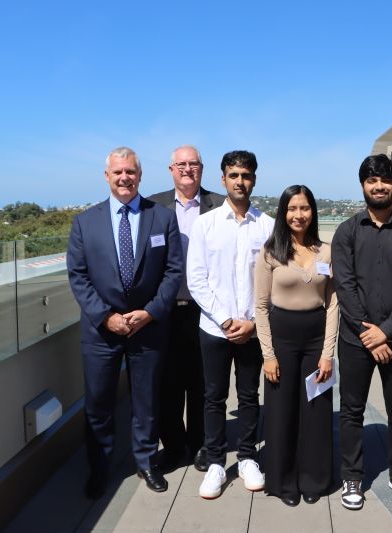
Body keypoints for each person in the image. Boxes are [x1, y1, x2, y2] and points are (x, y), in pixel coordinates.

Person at [67, 146, 182, 498]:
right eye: (117, 172)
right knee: (99, 404)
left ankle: (146, 462)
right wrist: (106, 317)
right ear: (107, 176)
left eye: (130, 171)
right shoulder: (85, 222)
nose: (124, 178)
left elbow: (174, 270)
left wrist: (151, 311)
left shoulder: (161, 217)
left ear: (140, 175)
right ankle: (100, 469)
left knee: (146, 402)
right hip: (102, 332)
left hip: (148, 327)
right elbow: (78, 275)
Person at [331, 154, 392, 511]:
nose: (379, 186)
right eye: (372, 180)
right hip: (355, 341)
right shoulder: (346, 231)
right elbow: (345, 286)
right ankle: (352, 477)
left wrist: (385, 332)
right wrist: (367, 333)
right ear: (363, 185)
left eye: (385, 180)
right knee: (351, 410)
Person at [187, 150, 274, 499]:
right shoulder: (205, 224)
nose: (240, 181)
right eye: (234, 175)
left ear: (254, 179)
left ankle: (249, 456)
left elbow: (271, 280)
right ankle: (216, 463)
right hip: (214, 328)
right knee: (214, 396)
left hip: (253, 329)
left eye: (246, 175)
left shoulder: (267, 225)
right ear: (223, 179)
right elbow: (196, 278)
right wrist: (225, 319)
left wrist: (251, 322)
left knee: (250, 395)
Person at [254, 185, 339, 507]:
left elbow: (333, 304)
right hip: (282, 340)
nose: (298, 215)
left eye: (304, 208)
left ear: (313, 212)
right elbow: (260, 307)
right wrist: (269, 355)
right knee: (281, 413)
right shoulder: (270, 252)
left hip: (316, 338)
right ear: (283, 213)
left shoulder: (326, 252)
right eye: (292, 209)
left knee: (316, 412)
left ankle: (313, 478)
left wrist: (327, 354)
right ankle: (283, 479)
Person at [149, 145, 225, 473]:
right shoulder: (151, 206)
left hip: (204, 309)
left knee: (202, 381)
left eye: (193, 164)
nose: (187, 169)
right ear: (171, 169)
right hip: (164, 311)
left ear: (202, 169)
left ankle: (200, 444)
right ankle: (173, 446)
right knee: (167, 381)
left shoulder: (219, 206)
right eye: (181, 164)